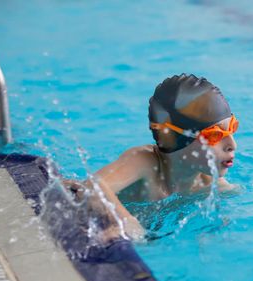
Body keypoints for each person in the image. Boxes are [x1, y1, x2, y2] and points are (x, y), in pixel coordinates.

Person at [67, 73, 239, 241]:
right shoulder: (144, 162)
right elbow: (91, 187)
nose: (232, 144)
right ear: (177, 138)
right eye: (214, 135)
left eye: (232, 128)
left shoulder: (212, 186)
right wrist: (126, 222)